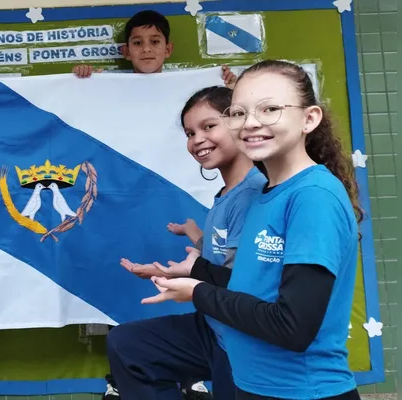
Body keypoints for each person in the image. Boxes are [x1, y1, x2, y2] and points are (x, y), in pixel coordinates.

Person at [139, 60, 363, 400]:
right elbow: (256, 289)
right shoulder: (262, 195)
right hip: (253, 387)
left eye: (270, 108)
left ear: (309, 119)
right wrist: (197, 270)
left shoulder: (313, 197)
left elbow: (293, 327)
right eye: (239, 113)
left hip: (301, 392)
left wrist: (197, 292)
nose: (251, 123)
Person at [110, 86, 266, 399]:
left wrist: (190, 277)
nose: (197, 140)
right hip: (212, 326)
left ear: (239, 122)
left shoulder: (255, 193)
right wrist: (176, 271)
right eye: (189, 132)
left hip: (241, 339)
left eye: (208, 127)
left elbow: (247, 284)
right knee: (126, 345)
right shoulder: (225, 195)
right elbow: (218, 263)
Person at [72, 10, 236, 89]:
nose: (146, 49)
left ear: (168, 49)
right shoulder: (107, 84)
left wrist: (229, 85)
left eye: (155, 41)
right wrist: (81, 78)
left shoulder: (186, 86)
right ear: (126, 52)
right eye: (137, 43)